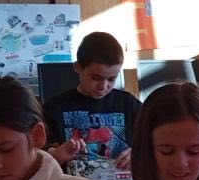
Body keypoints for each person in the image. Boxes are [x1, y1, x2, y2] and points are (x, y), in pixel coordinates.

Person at [41, 31, 141, 171]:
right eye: (95, 78)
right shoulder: (55, 108)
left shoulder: (128, 104)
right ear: (78, 67)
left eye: (111, 79)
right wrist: (55, 155)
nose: (103, 86)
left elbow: (155, 139)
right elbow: (37, 155)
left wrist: (139, 152)